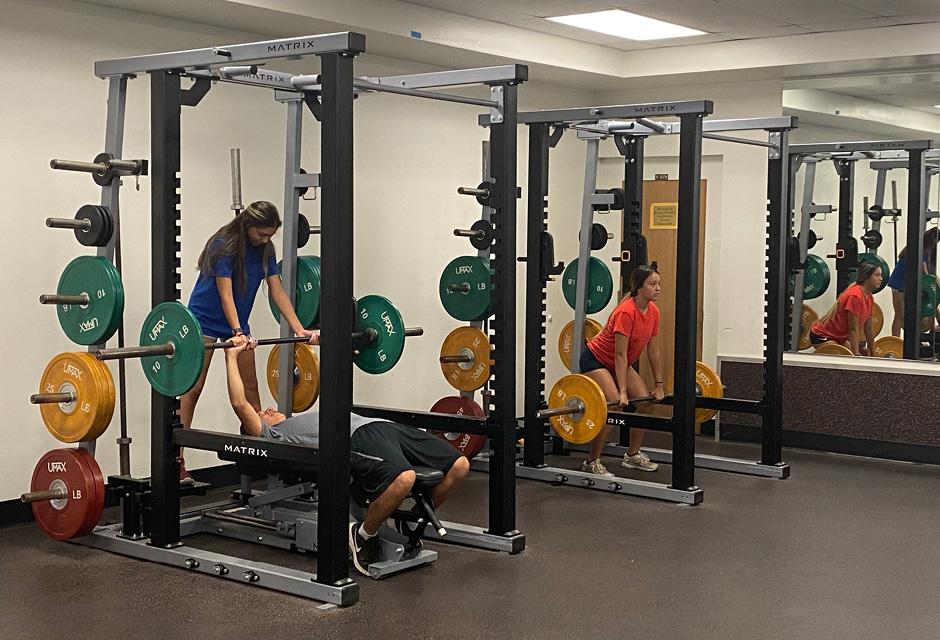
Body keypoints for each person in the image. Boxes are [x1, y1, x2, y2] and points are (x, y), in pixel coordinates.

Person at [222, 335, 470, 577]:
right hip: (358, 438)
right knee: (404, 478)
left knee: (460, 465)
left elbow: (329, 381)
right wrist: (230, 355)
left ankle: (410, 520)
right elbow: (239, 404)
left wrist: (325, 344)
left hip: (384, 427)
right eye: (262, 415)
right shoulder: (273, 435)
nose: (266, 409)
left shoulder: (300, 418)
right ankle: (363, 536)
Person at [177, 201, 317, 483]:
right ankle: (176, 462)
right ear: (248, 226)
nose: (266, 240)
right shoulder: (223, 245)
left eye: (269, 235)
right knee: (193, 390)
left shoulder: (266, 249)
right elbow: (225, 294)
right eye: (262, 234)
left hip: (237, 323)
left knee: (251, 387)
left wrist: (299, 327)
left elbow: (276, 290)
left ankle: (264, 458)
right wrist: (237, 330)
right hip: (204, 320)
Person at [577, 263, 665, 476]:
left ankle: (633, 455)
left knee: (646, 403)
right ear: (639, 287)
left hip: (619, 363)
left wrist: (659, 385)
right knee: (615, 405)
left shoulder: (653, 311)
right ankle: (591, 461)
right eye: (652, 284)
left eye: (658, 284)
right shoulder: (626, 312)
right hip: (596, 360)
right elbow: (619, 354)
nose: (657, 288)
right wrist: (623, 392)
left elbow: (653, 351)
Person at [809, 262, 882, 355]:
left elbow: (868, 330)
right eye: (877, 275)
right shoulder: (855, 296)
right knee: (846, 357)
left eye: (880, 275)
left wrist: (873, 354)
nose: (881, 279)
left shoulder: (869, 297)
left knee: (861, 354)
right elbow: (853, 329)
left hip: (839, 337)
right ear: (866, 277)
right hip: (822, 336)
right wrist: (856, 355)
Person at [888, 227, 940, 336]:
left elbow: (930, 274)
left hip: (909, 284)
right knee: (899, 315)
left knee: (933, 304)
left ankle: (933, 329)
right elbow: (926, 274)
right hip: (898, 284)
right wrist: (936, 284)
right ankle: (894, 341)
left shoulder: (925, 250)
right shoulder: (920, 250)